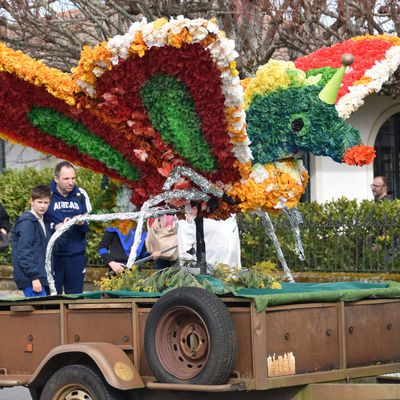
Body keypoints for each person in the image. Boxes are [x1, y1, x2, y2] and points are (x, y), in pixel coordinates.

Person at [45, 161, 92, 294]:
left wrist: (82, 223)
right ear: (56, 179)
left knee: (75, 298)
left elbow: (91, 223)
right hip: (54, 255)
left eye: (73, 178)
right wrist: (56, 227)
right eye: (66, 179)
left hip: (76, 255)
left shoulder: (81, 194)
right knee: (53, 298)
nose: (71, 182)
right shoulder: (47, 195)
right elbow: (39, 221)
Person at [12, 185, 52, 297]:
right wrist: (34, 277)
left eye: (46, 202)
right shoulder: (27, 222)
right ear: (32, 201)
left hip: (42, 277)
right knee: (40, 313)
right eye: (39, 202)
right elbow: (24, 252)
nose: (42, 206)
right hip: (31, 279)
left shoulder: (43, 221)